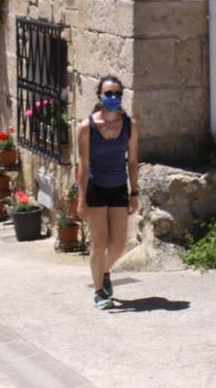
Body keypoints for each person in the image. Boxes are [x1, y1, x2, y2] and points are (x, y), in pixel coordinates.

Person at [76, 75, 140, 310]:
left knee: (118, 245)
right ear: (100, 96)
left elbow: (132, 161)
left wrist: (135, 192)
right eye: (109, 94)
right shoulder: (86, 127)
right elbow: (82, 166)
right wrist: (81, 200)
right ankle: (99, 291)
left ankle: (103, 272)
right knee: (100, 243)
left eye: (118, 94)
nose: (114, 98)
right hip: (96, 188)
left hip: (118, 188)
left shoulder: (130, 125)